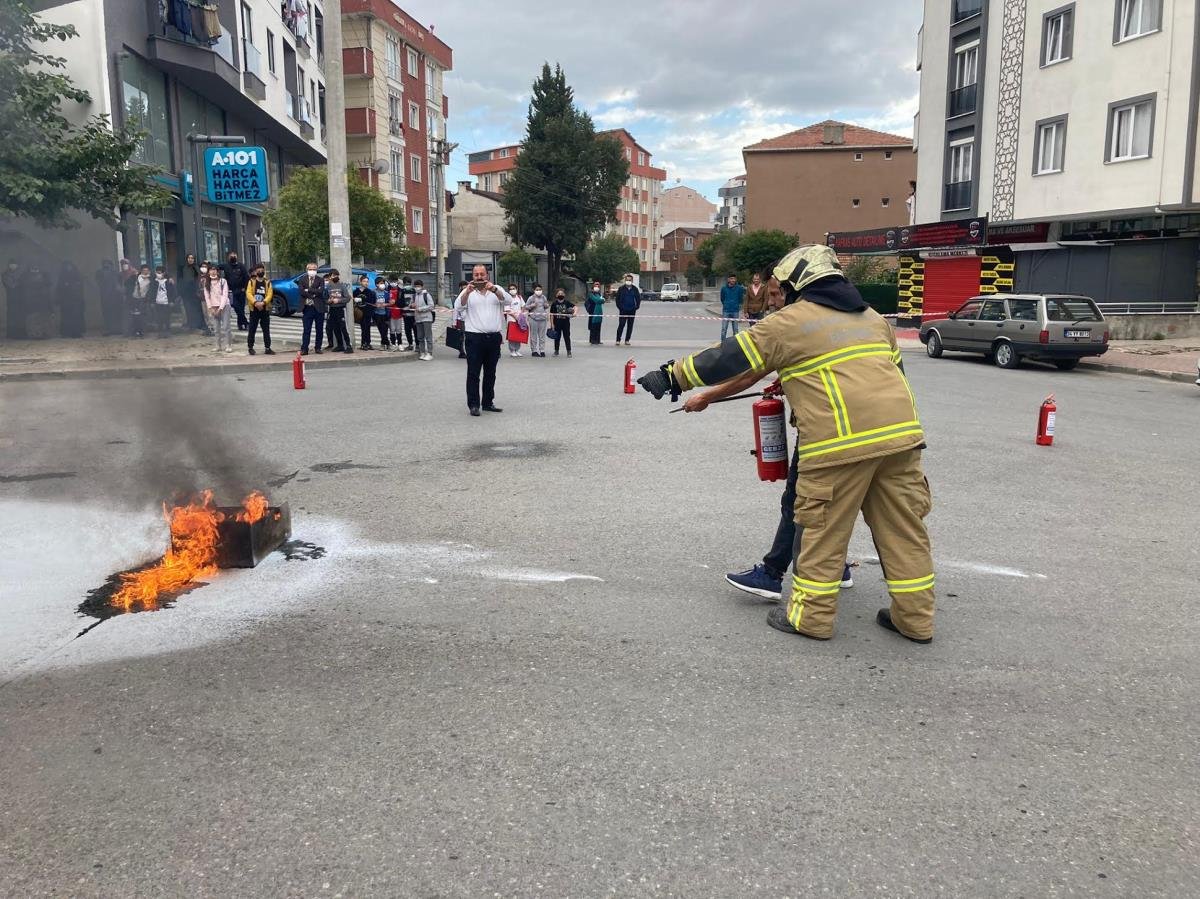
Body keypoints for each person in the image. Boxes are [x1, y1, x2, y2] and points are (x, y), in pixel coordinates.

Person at [638, 245, 935, 644]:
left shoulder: (790, 322)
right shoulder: (875, 319)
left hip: (838, 446)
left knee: (821, 533)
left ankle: (810, 618)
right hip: (902, 440)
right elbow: (894, 374)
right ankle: (915, 620)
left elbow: (730, 357)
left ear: (798, 283)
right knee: (905, 532)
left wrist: (672, 376)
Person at [455, 264, 510, 416]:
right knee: (473, 373)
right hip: (474, 338)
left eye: (482, 274)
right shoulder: (468, 291)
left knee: (490, 372)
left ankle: (487, 402)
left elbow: (508, 301)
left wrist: (494, 290)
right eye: (476, 274)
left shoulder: (496, 288)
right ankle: (473, 404)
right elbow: (458, 307)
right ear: (472, 276)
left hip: (493, 338)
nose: (479, 277)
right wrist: (467, 292)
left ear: (487, 275)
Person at [202, 264, 232, 353]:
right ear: (208, 272)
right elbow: (207, 296)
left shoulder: (223, 281)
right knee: (216, 328)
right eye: (211, 270)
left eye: (214, 270)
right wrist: (210, 308)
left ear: (218, 271)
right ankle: (217, 345)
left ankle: (228, 345)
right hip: (213, 307)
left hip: (224, 306)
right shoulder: (206, 282)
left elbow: (224, 295)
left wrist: (220, 308)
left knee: (226, 326)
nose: (213, 271)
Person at [245, 263, 274, 355]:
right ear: (255, 271)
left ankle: (267, 347)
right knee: (252, 329)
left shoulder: (268, 282)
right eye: (258, 270)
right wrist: (255, 302)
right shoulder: (251, 282)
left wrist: (263, 302)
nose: (260, 271)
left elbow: (270, 294)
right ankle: (250, 347)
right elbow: (248, 293)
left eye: (262, 269)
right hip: (254, 309)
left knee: (266, 329)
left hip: (265, 309)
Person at [298, 262, 327, 355]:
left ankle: (318, 347)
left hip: (318, 307)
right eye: (310, 269)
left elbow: (321, 291)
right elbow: (302, 292)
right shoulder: (302, 279)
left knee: (319, 329)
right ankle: (304, 348)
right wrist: (313, 293)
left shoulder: (320, 279)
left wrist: (309, 290)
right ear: (307, 270)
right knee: (307, 329)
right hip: (307, 307)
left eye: (314, 269)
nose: (312, 271)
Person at [325, 269, 353, 353]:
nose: (335, 277)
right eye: (333, 275)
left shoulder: (342, 286)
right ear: (330, 277)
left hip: (341, 309)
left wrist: (339, 301)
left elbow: (348, 297)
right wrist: (328, 301)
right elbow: (325, 299)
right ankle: (340, 345)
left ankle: (348, 346)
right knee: (335, 328)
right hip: (332, 309)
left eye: (337, 275)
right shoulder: (328, 287)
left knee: (343, 328)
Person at [221, 251, 250, 331]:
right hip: (231, 291)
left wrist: (245, 287)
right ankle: (246, 323)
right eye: (231, 255)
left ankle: (240, 324)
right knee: (236, 307)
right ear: (228, 257)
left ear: (237, 256)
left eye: (234, 255)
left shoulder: (241, 266)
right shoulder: (226, 266)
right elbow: (215, 268)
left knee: (241, 308)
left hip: (241, 290)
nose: (233, 256)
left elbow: (246, 277)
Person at [177, 254, 206, 333]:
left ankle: (200, 325)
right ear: (186, 259)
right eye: (189, 258)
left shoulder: (196, 267)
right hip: (186, 292)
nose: (190, 259)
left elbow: (200, 277)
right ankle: (191, 325)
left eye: (192, 258)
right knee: (188, 309)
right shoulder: (182, 267)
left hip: (195, 291)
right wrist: (181, 292)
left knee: (198, 309)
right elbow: (179, 280)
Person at [57, 261, 85, 338]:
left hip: (76, 300)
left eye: (69, 266)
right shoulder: (62, 277)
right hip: (66, 301)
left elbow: (80, 288)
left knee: (76, 316)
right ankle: (66, 333)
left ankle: (76, 332)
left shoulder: (77, 276)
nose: (68, 268)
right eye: (67, 266)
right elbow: (60, 288)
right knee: (66, 317)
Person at [410, 278, 435, 360]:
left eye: (419, 286)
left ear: (422, 286)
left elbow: (431, 306)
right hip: (418, 319)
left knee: (428, 336)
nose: (417, 288)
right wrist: (411, 306)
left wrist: (420, 309)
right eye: (416, 286)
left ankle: (429, 353)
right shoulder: (414, 296)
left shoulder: (426, 295)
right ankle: (422, 352)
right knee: (420, 337)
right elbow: (411, 305)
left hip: (427, 318)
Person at [126, 264, 153, 338]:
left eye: (147, 270)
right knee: (135, 316)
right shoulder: (135, 277)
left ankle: (142, 332)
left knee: (143, 316)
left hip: (144, 299)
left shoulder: (151, 278)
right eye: (144, 270)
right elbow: (127, 284)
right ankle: (135, 332)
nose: (145, 272)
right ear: (141, 271)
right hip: (135, 298)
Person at [354, 274, 379, 350]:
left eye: (367, 281)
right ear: (360, 282)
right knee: (363, 328)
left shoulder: (370, 292)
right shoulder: (356, 291)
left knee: (367, 328)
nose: (366, 283)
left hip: (368, 313)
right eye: (364, 281)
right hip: (359, 312)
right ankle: (363, 343)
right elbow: (353, 300)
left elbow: (373, 302)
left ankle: (368, 343)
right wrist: (355, 300)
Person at [614, 273, 640, 346]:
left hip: (632, 310)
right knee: (621, 325)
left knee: (630, 326)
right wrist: (620, 307)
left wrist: (636, 306)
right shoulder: (621, 289)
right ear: (625, 280)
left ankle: (627, 340)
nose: (628, 281)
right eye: (627, 280)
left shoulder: (635, 289)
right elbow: (617, 299)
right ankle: (618, 340)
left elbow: (638, 298)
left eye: (630, 280)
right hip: (623, 310)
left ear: (632, 281)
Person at [151, 265, 176, 338]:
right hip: (157, 302)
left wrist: (172, 301)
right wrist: (152, 302)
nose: (158, 274)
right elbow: (151, 292)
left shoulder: (168, 281)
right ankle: (160, 332)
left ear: (163, 273)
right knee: (159, 318)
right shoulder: (154, 281)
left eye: (160, 273)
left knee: (167, 317)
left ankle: (168, 331)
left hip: (166, 302)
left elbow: (173, 292)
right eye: (157, 272)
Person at [524, 284, 549, 357]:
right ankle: (534, 350)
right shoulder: (531, 298)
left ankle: (542, 350)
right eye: (537, 290)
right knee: (533, 335)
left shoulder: (544, 297)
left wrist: (546, 305)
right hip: (533, 318)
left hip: (542, 318)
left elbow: (546, 305)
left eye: (540, 289)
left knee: (542, 336)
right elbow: (526, 307)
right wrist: (531, 306)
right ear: (534, 290)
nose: (539, 291)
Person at [550, 289, 575, 357]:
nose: (560, 295)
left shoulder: (567, 302)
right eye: (559, 293)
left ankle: (569, 351)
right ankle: (556, 351)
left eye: (562, 293)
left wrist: (574, 313)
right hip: (557, 323)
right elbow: (551, 314)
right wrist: (552, 324)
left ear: (564, 295)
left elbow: (575, 307)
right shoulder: (554, 304)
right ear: (556, 295)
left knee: (567, 337)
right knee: (557, 337)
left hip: (565, 323)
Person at [720, 274, 746, 339]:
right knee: (724, 329)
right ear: (728, 280)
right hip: (726, 311)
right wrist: (726, 304)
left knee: (736, 329)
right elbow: (722, 299)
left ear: (736, 279)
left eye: (734, 279)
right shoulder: (724, 288)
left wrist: (738, 306)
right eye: (731, 279)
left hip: (735, 311)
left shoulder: (739, 288)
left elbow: (741, 299)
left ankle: (735, 344)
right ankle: (723, 344)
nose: (733, 280)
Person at [505, 283, 526, 357]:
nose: (512, 290)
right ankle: (512, 350)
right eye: (510, 289)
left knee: (518, 335)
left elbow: (523, 306)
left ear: (516, 289)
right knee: (512, 336)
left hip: (519, 320)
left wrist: (521, 314)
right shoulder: (507, 299)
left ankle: (517, 350)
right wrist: (515, 316)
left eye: (513, 288)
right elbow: (507, 310)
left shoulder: (519, 297)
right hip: (511, 319)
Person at [3, 260, 21, 339]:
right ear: (9, 265)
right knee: (12, 315)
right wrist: (19, 282)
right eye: (12, 265)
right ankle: (11, 333)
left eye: (15, 264)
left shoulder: (19, 273)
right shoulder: (6, 274)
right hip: (11, 297)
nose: (13, 266)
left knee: (19, 315)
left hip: (20, 298)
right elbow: (11, 285)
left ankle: (19, 333)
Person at [452, 279, 469, 359]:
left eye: (465, 287)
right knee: (461, 337)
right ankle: (462, 351)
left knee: (469, 336)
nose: (464, 289)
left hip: (470, 320)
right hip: (461, 320)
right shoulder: (458, 298)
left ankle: (468, 350)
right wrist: (454, 322)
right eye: (462, 287)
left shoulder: (471, 295)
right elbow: (455, 310)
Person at [386, 275, 404, 350]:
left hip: (398, 313)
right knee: (392, 329)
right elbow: (385, 300)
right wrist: (388, 302)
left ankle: (400, 343)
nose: (393, 283)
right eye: (391, 282)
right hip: (390, 313)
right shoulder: (387, 290)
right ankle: (393, 343)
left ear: (397, 282)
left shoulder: (401, 291)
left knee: (399, 329)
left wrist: (395, 301)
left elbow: (403, 303)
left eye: (395, 281)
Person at [399, 276, 417, 351]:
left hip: (406, 314)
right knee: (415, 330)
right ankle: (417, 345)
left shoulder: (402, 291)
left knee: (408, 330)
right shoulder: (415, 290)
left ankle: (410, 344)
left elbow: (400, 302)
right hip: (414, 314)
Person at [585, 280, 605, 345]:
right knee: (593, 326)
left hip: (599, 312)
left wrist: (601, 300)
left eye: (598, 285)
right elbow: (597, 300)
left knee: (598, 325)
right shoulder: (591, 294)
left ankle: (598, 340)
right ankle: (592, 340)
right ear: (593, 286)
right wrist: (601, 300)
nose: (597, 286)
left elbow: (603, 300)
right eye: (596, 284)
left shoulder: (599, 293)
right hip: (593, 311)